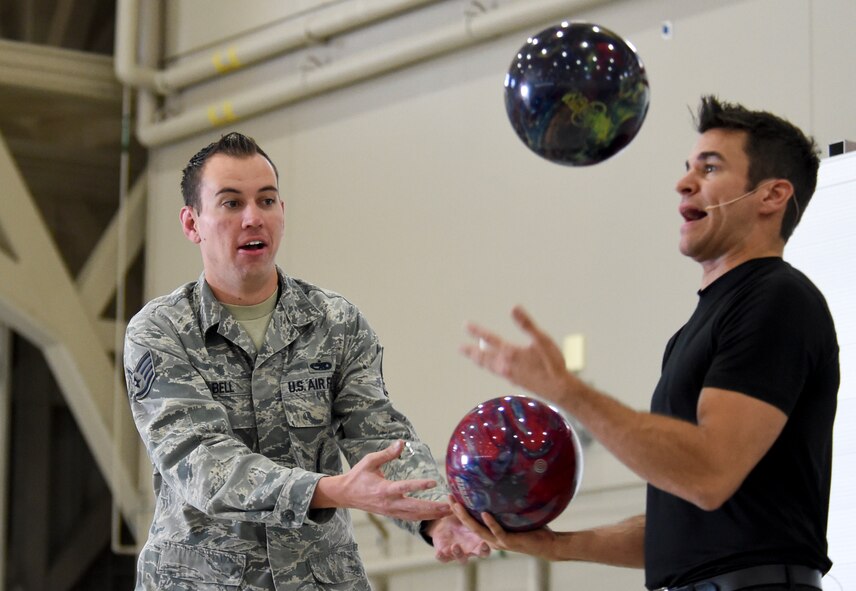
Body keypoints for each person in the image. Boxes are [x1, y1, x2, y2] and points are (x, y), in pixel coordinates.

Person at [451, 96, 839, 591]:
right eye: (687, 168)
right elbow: (686, 529)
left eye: (711, 167)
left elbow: (707, 472)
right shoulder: (698, 328)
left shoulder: (777, 298)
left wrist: (569, 391)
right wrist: (557, 546)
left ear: (771, 195)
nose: (683, 182)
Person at [124, 132, 489, 590]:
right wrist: (330, 490)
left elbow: (377, 432)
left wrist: (435, 516)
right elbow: (201, 462)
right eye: (232, 203)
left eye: (268, 200)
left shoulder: (335, 321)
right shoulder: (161, 331)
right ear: (192, 222)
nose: (254, 218)